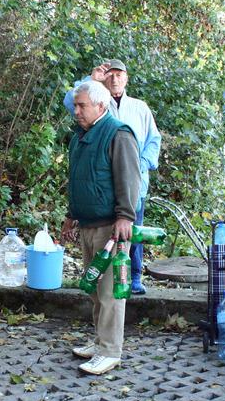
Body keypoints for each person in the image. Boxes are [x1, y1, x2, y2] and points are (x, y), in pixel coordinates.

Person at [61, 80, 141, 375]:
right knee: (94, 288)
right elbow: (79, 180)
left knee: (110, 292)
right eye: (76, 105)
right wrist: (71, 215)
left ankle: (110, 351)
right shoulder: (80, 137)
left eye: (82, 106)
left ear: (101, 106)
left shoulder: (118, 134)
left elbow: (129, 180)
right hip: (89, 224)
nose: (76, 111)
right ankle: (100, 341)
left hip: (112, 227)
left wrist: (125, 217)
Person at [64, 59, 161, 295]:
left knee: (130, 228)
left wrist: (141, 164)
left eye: (120, 75)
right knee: (118, 239)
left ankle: (134, 277)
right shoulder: (93, 103)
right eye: (111, 75)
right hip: (101, 192)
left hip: (133, 182)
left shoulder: (139, 107)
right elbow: (71, 101)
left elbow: (154, 140)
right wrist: (91, 79)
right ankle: (124, 283)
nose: (115, 79)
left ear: (126, 78)